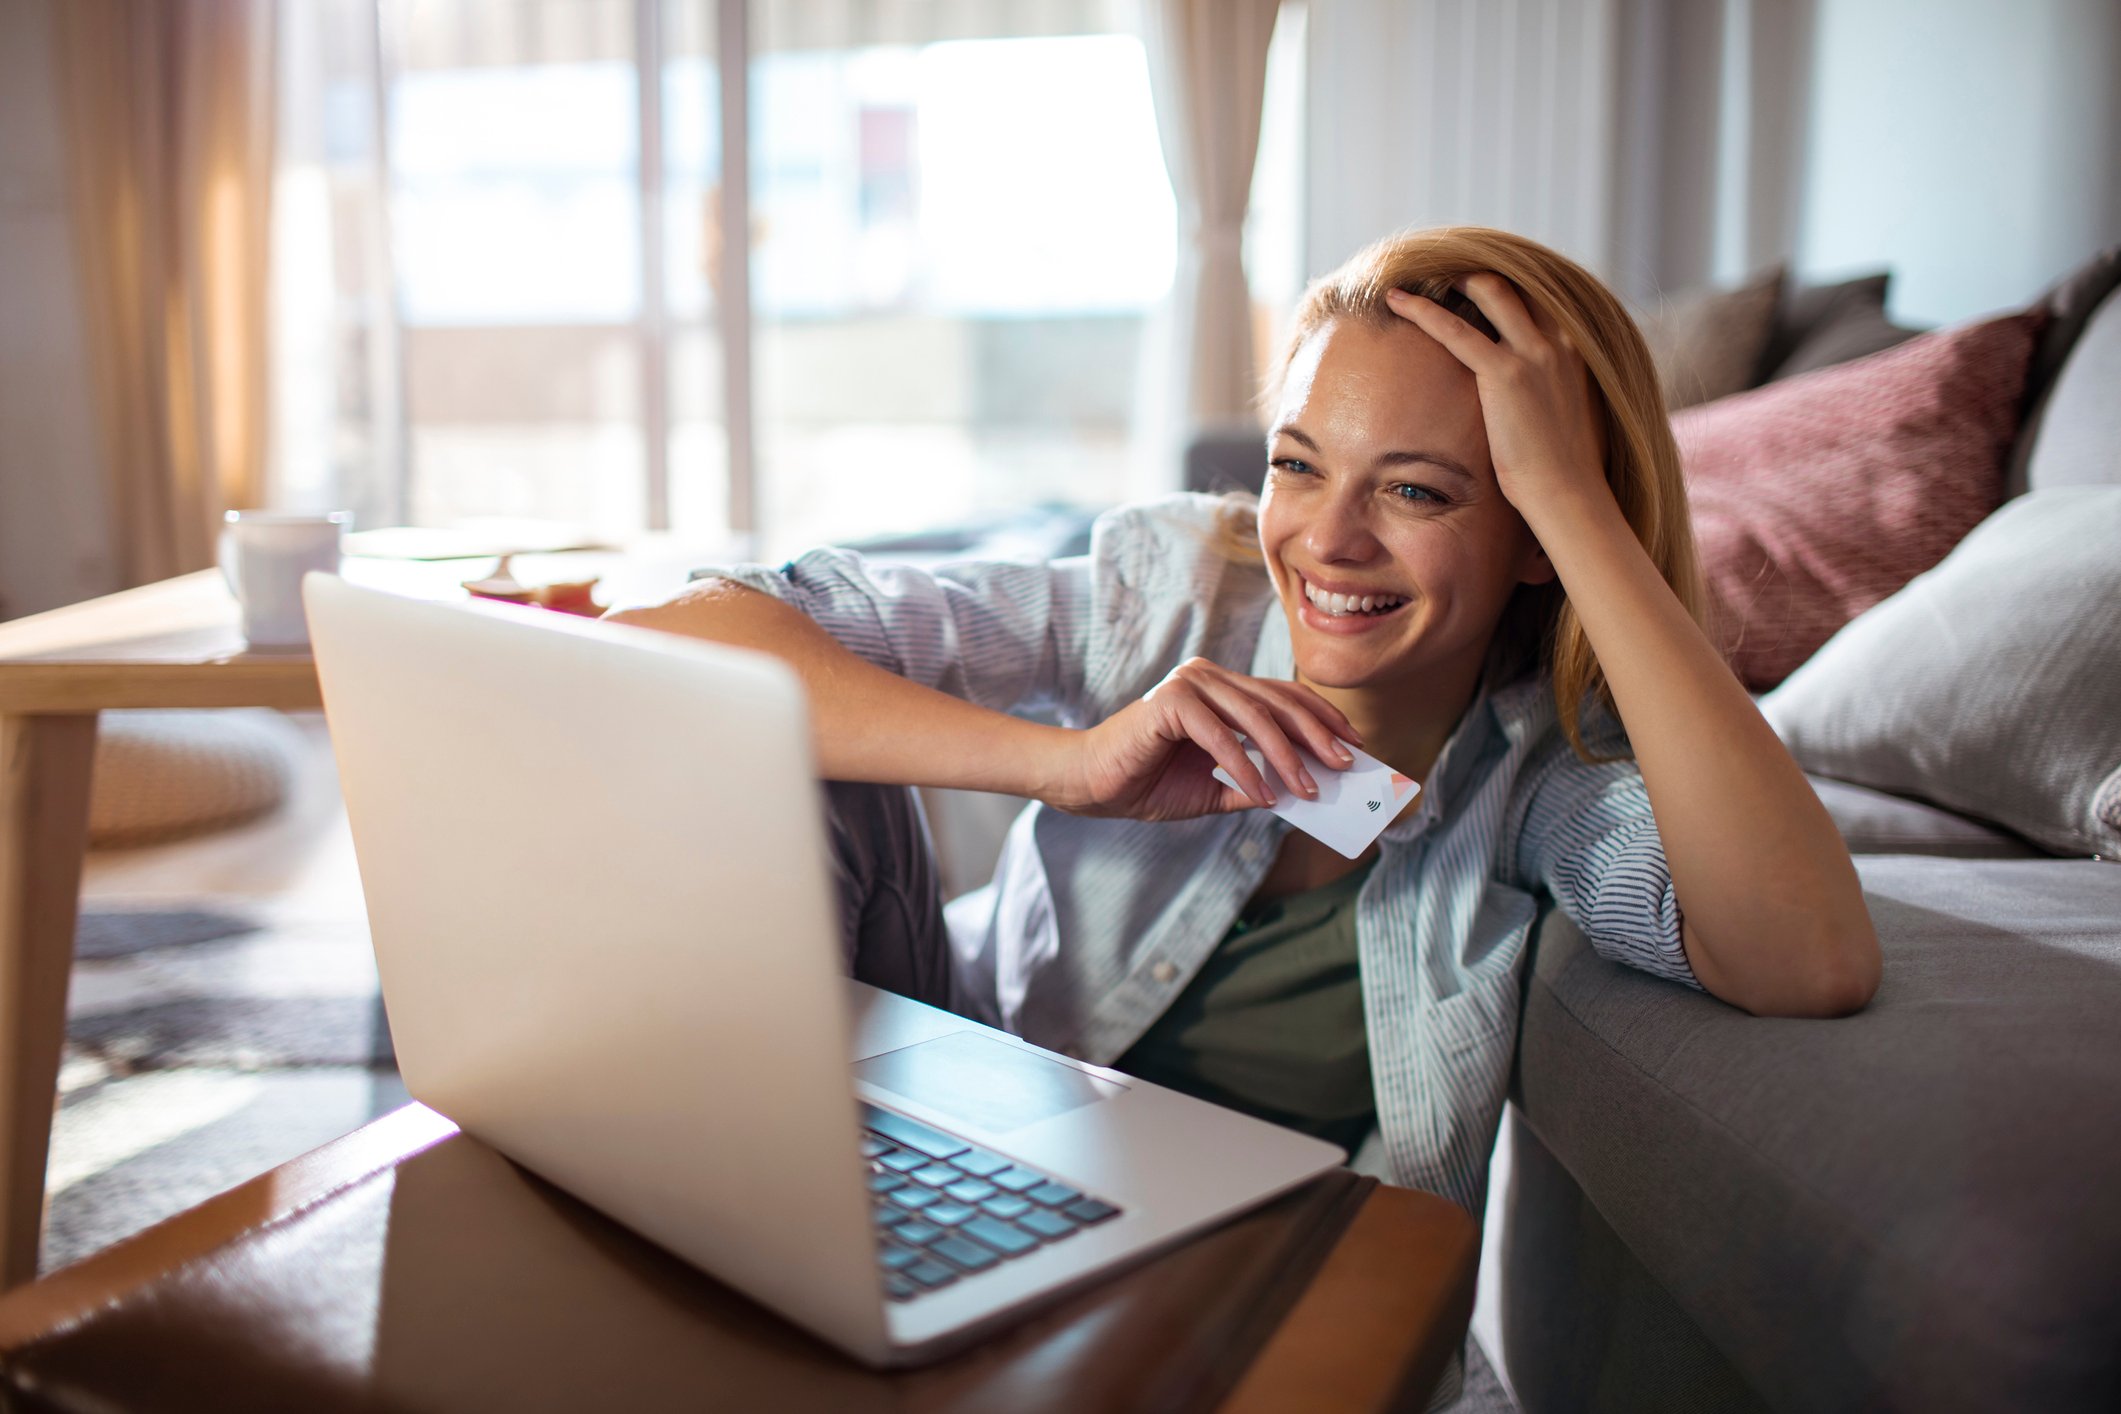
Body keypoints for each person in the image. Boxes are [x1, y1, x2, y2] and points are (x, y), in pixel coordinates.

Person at [606, 224, 1880, 1224]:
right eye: (1297, 461)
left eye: (1420, 490)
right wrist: (1068, 766)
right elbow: (673, 636)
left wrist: (1572, 495)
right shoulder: (1173, 591)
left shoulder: (1540, 777)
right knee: (782, 753)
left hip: (1231, 1259)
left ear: (1538, 539)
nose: (1327, 540)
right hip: (971, 1124)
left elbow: (1804, 956)